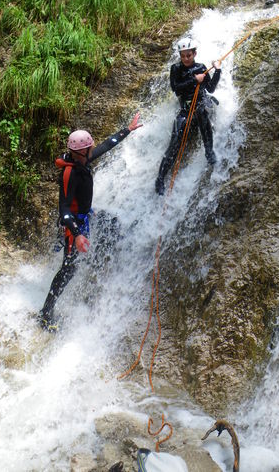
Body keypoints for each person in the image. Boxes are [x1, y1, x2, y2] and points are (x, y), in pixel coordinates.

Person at [38, 113, 142, 331]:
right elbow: (64, 210)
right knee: (68, 269)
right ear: (81, 151)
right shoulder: (70, 174)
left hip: (84, 217)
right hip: (72, 226)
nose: (92, 148)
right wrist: (76, 235)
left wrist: (127, 130)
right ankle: (45, 314)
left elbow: (105, 146)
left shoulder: (81, 160)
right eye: (89, 147)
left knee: (111, 224)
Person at [155, 38, 221, 195]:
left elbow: (210, 89)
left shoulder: (201, 68)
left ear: (194, 53)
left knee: (203, 117)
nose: (185, 58)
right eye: (183, 55)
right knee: (175, 141)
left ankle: (209, 151)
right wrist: (194, 79)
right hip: (185, 109)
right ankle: (160, 178)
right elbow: (176, 89)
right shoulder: (176, 69)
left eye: (188, 55)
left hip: (200, 105)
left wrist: (217, 71)